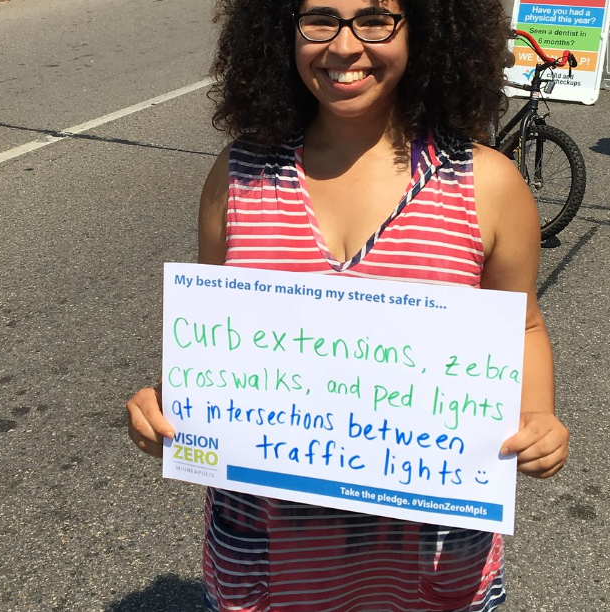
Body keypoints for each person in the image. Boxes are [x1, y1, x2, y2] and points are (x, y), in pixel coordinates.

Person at [127, 0, 570, 610]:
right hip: (270, 555)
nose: (343, 46)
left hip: (432, 560)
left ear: (429, 31)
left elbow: (522, 325)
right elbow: (211, 334)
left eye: (374, 19)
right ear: (282, 31)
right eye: (320, 18)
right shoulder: (238, 174)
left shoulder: (488, 184)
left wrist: (539, 417)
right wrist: (165, 408)